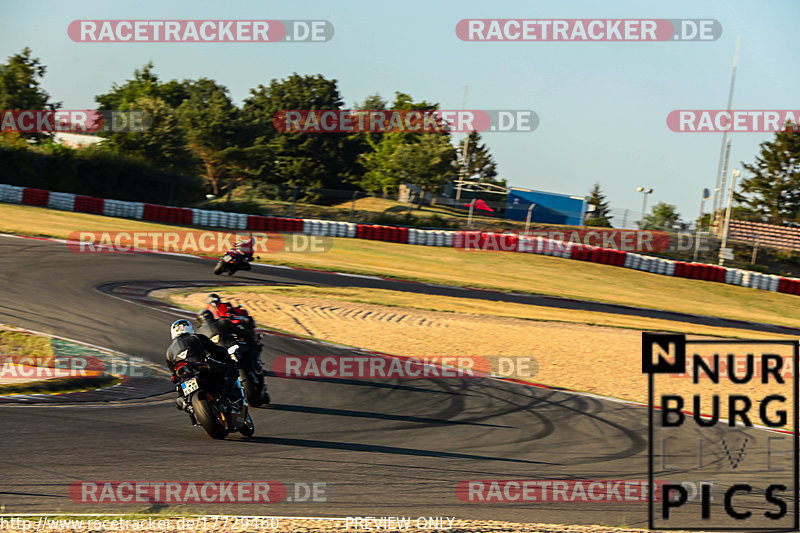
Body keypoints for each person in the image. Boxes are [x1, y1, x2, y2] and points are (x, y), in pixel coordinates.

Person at [165, 319, 244, 421]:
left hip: (183, 376)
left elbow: (172, 372)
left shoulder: (168, 351)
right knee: (230, 370)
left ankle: (190, 408)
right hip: (200, 367)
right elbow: (216, 350)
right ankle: (228, 391)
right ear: (189, 328)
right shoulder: (196, 337)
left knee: (180, 398)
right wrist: (228, 358)